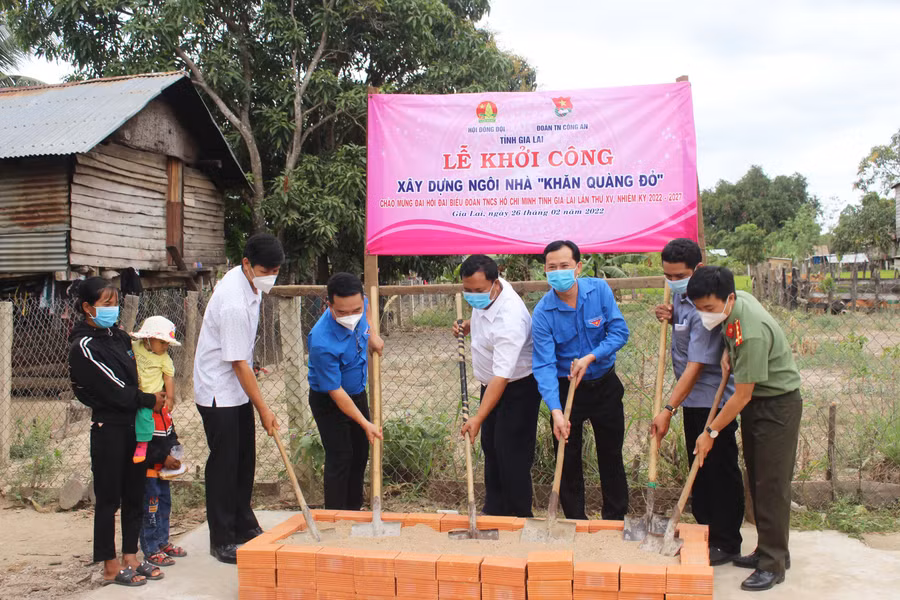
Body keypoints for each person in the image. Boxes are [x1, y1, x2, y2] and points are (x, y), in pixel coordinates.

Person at [687, 266, 802, 592]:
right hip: (758, 403)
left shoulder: (750, 331)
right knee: (758, 480)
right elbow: (734, 338)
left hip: (775, 406)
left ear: (728, 298)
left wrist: (710, 432)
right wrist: (728, 350)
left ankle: (773, 565)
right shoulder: (739, 304)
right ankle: (770, 549)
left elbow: (741, 395)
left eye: (709, 308)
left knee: (771, 485)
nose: (705, 314)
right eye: (699, 308)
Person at [649, 239, 744, 566]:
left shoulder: (706, 304)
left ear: (698, 269)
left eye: (680, 276)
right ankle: (705, 532)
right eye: (668, 276)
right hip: (692, 401)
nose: (673, 281)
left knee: (719, 470)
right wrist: (670, 312)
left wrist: (668, 409)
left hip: (712, 401)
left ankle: (727, 541)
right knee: (700, 469)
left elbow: (695, 366)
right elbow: (682, 324)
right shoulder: (680, 297)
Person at [68, 277, 165, 587]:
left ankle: (130, 556)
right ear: (87, 307)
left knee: (134, 492)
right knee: (109, 498)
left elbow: (135, 377)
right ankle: (109, 565)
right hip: (108, 427)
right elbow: (115, 389)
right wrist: (148, 400)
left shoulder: (120, 337)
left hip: (134, 426)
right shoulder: (84, 346)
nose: (113, 308)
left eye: (115, 303)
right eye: (106, 304)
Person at [194, 233, 284, 564]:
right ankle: (222, 538)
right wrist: (264, 409)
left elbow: (244, 358)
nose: (270, 276)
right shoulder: (233, 300)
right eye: (265, 270)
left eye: (275, 270)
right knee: (225, 464)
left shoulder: (252, 286)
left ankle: (244, 524)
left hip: (237, 387)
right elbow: (237, 363)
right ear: (247, 264)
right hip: (218, 390)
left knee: (245, 459)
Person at [531, 240, 630, 520]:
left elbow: (619, 332)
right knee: (568, 457)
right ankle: (575, 520)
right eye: (552, 267)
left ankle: (615, 518)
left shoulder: (599, 291)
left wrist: (591, 357)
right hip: (568, 390)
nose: (558, 272)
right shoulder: (543, 313)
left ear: (578, 267)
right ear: (545, 270)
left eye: (564, 265)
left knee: (611, 454)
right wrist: (556, 411)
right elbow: (544, 365)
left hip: (604, 385)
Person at [452, 255, 541, 517]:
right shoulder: (487, 295)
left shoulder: (510, 318)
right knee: (491, 448)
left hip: (517, 389)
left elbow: (502, 377)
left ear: (495, 283)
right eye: (467, 290)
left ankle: (518, 516)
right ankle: (494, 511)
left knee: (512, 454)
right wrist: (468, 325)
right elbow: (483, 318)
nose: (472, 296)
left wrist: (478, 417)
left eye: (478, 290)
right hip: (491, 385)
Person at [307, 272, 384, 510]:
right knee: (340, 456)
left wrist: (372, 335)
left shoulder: (360, 303)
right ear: (328, 304)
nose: (351, 316)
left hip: (357, 392)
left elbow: (366, 313)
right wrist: (365, 423)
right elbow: (336, 392)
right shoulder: (321, 341)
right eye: (342, 312)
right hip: (330, 401)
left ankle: (354, 512)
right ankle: (336, 515)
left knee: (360, 454)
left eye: (356, 310)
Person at [131, 316, 187, 567]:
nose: (165, 347)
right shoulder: (143, 416)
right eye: (161, 342)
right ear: (148, 339)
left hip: (162, 472)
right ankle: (151, 547)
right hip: (149, 471)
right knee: (150, 508)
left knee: (164, 504)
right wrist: (162, 457)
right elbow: (145, 445)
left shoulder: (165, 413)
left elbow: (170, 435)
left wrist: (174, 453)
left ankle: (163, 541)